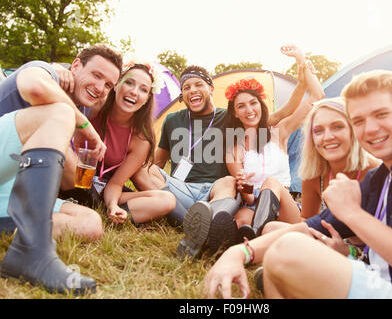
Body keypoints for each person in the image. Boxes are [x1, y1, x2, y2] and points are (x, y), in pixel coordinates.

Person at [204, 70, 392, 299]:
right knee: (278, 255)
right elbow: (310, 226)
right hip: (374, 275)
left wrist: (352, 215)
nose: (371, 128)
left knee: (286, 249)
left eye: (381, 114)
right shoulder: (381, 179)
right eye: (360, 120)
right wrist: (239, 252)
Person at [0, 45, 122, 294]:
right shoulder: (46, 71)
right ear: (75, 66)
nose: (100, 88)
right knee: (61, 111)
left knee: (91, 223)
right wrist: (84, 126)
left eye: (108, 85)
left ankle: (22, 233)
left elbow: (68, 182)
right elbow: (34, 86)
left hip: (8, 186)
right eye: (96, 75)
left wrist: (79, 158)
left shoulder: (80, 108)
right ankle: (32, 251)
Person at [131, 65, 241, 258]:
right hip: (180, 191)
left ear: (211, 89)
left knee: (229, 181)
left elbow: (265, 120)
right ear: (182, 94)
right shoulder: (172, 120)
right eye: (186, 87)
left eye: (198, 84)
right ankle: (198, 226)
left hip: (215, 192)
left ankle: (203, 223)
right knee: (140, 167)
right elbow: (157, 163)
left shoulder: (229, 118)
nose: (192, 90)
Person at [222, 45, 324, 242]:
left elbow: (317, 96)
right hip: (254, 205)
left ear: (261, 106)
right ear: (235, 113)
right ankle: (258, 236)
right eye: (241, 106)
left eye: (253, 103)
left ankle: (258, 236)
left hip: (285, 207)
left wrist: (301, 59)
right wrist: (244, 188)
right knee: (241, 220)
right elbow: (249, 199)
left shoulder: (280, 132)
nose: (249, 110)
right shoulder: (234, 149)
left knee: (272, 183)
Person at [60, 61, 176, 225]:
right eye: (129, 82)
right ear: (116, 85)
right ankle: (85, 203)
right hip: (74, 175)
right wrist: (58, 70)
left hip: (103, 191)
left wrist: (113, 204)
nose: (134, 92)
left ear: (147, 99)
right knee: (62, 149)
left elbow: (116, 184)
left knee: (167, 199)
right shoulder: (95, 106)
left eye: (143, 89)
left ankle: (111, 213)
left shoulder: (141, 139)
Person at [262, 97, 381, 253]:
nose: (328, 137)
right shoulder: (315, 174)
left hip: (372, 249)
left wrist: (347, 251)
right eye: (318, 131)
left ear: (353, 129)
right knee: (271, 228)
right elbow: (307, 221)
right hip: (329, 239)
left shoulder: (374, 170)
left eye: (337, 127)